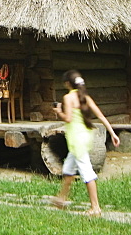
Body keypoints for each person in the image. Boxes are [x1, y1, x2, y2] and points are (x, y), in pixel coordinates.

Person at [50, 69, 120, 217]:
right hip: (85, 137)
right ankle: (61, 198)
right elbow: (100, 115)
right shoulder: (85, 96)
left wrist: (58, 112)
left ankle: (95, 208)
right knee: (68, 169)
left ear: (67, 83)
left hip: (76, 140)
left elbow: (68, 118)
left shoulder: (68, 98)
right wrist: (112, 133)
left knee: (87, 172)